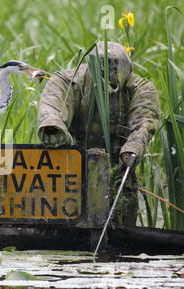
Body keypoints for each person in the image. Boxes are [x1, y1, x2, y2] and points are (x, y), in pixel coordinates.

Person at [37, 41, 160, 226]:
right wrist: (54, 129)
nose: (110, 74)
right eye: (104, 68)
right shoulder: (69, 81)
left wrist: (132, 149)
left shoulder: (140, 88)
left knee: (119, 238)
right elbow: (52, 109)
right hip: (69, 178)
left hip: (119, 177)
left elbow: (144, 122)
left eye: (115, 68)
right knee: (63, 234)